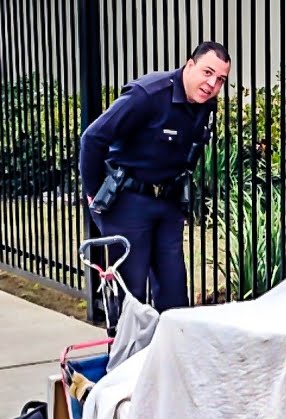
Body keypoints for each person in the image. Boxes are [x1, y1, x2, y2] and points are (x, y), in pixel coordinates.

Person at [78, 41, 230, 318]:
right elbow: (93, 137)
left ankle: (168, 359)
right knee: (131, 296)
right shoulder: (149, 94)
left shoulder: (204, 105)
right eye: (207, 72)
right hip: (128, 203)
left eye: (220, 79)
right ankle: (127, 360)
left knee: (174, 295)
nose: (212, 84)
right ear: (190, 65)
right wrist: (93, 193)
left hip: (168, 203)